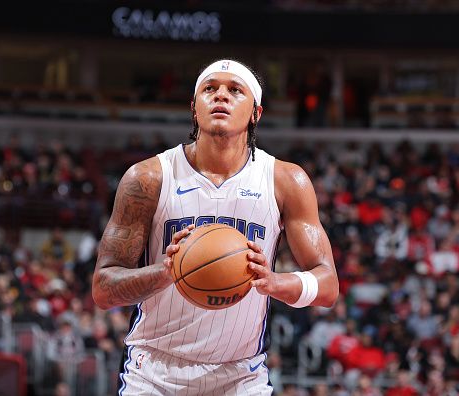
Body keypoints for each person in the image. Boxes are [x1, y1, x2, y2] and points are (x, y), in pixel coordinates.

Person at [92, 59, 339, 395]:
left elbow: (328, 286)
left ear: (256, 113)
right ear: (194, 109)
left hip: (241, 375)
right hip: (154, 371)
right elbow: (103, 289)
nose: (221, 95)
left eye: (235, 90)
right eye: (210, 89)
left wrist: (274, 282)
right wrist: (165, 272)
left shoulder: (286, 181)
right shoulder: (148, 178)